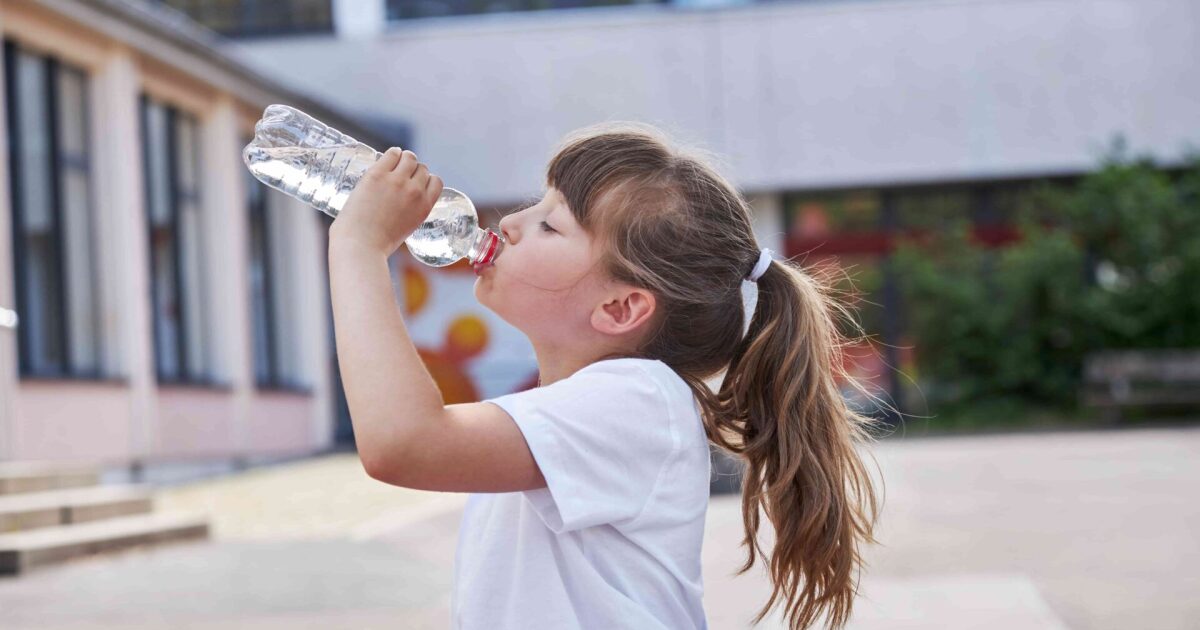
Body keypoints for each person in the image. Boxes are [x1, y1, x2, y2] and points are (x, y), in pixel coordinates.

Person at [326, 122, 886, 630]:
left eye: (550, 224)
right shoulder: (572, 408)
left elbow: (403, 442)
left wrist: (357, 247)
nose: (511, 223)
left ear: (621, 308)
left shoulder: (639, 398)